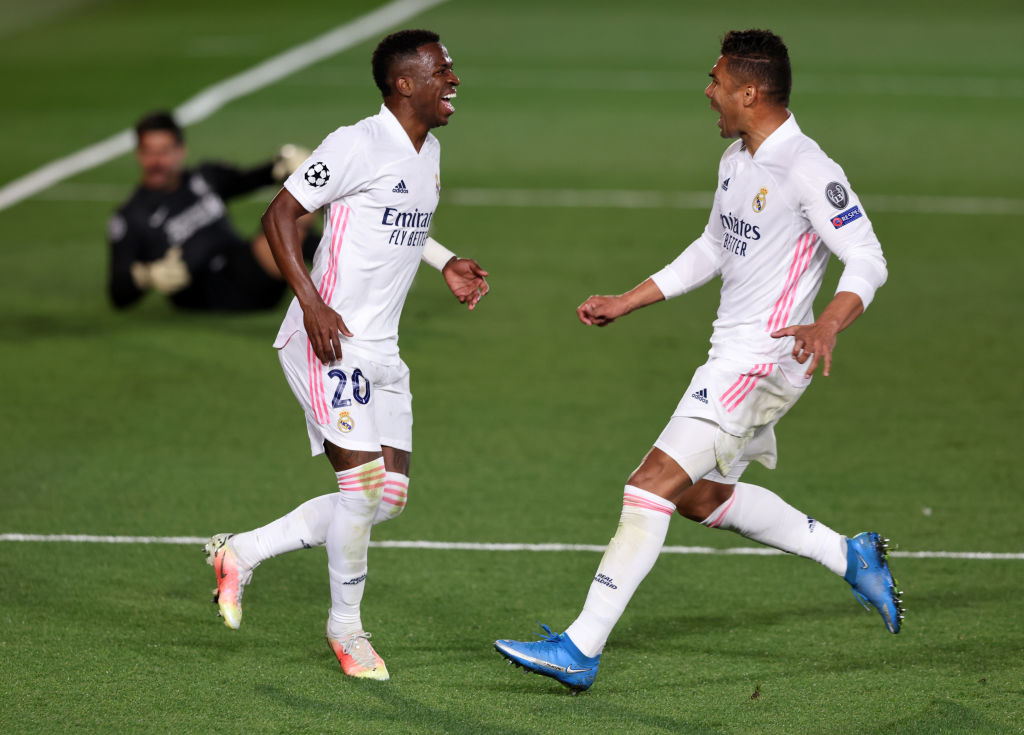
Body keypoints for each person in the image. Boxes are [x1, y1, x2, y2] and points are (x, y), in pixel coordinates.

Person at [494, 29, 901, 693]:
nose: (708, 92)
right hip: (730, 355)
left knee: (648, 484)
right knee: (698, 496)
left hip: (763, 362)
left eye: (717, 82)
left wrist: (830, 320)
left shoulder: (808, 168)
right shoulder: (737, 159)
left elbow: (868, 258)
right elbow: (713, 246)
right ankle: (847, 555)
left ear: (750, 93)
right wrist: (628, 299)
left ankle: (580, 646)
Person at [204, 29, 489, 682]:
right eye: (441, 70)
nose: (453, 79)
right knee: (360, 490)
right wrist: (311, 304)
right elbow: (279, 215)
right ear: (404, 84)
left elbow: (400, 221)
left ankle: (240, 553)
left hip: (383, 348)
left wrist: (446, 261)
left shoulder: (428, 150)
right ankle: (347, 631)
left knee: (387, 498)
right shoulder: (355, 143)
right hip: (328, 341)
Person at [107, 111, 314, 310]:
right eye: (149, 152)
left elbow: (248, 179)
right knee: (288, 228)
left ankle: (330, 268)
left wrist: (283, 164)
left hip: (244, 266)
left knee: (299, 201)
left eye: (164, 151)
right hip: (208, 290)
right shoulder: (132, 215)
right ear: (138, 154)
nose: (156, 161)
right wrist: (148, 276)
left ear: (181, 151)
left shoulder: (204, 178)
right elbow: (118, 292)